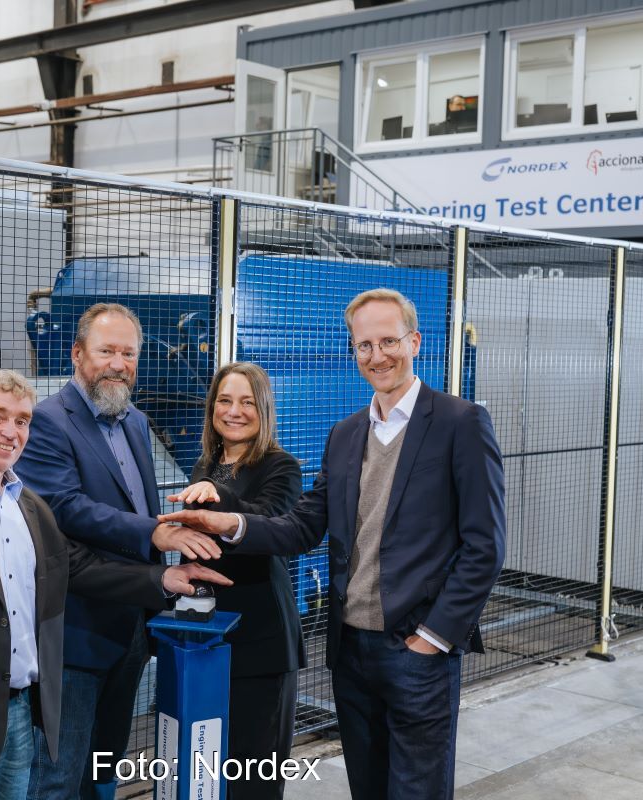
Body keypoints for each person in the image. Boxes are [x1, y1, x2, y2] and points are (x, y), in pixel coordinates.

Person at [162, 288, 506, 800]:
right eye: (364, 345)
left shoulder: (460, 423)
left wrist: (434, 638)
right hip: (352, 653)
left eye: (388, 341)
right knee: (367, 787)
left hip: (416, 649)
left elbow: (486, 545)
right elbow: (300, 527)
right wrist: (227, 523)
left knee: (417, 790)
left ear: (415, 342)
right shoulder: (345, 435)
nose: (377, 355)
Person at [0, 369, 230, 800]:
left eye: (22, 420)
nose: (10, 431)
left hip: (18, 721)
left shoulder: (30, 506)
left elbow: (77, 569)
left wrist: (161, 577)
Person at [16, 303, 218, 800]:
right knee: (58, 776)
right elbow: (65, 507)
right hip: (76, 635)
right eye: (106, 351)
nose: (118, 364)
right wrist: (154, 533)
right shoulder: (47, 422)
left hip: (129, 628)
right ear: (77, 354)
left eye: (128, 353)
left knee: (103, 764)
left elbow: (138, 502)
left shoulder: (134, 421)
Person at [167, 362, 303, 800]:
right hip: (208, 637)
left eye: (247, 402)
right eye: (224, 400)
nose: (234, 411)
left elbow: (271, 522)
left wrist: (217, 497)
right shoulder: (207, 463)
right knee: (207, 771)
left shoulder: (281, 467)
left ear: (263, 409)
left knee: (253, 774)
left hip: (260, 644)